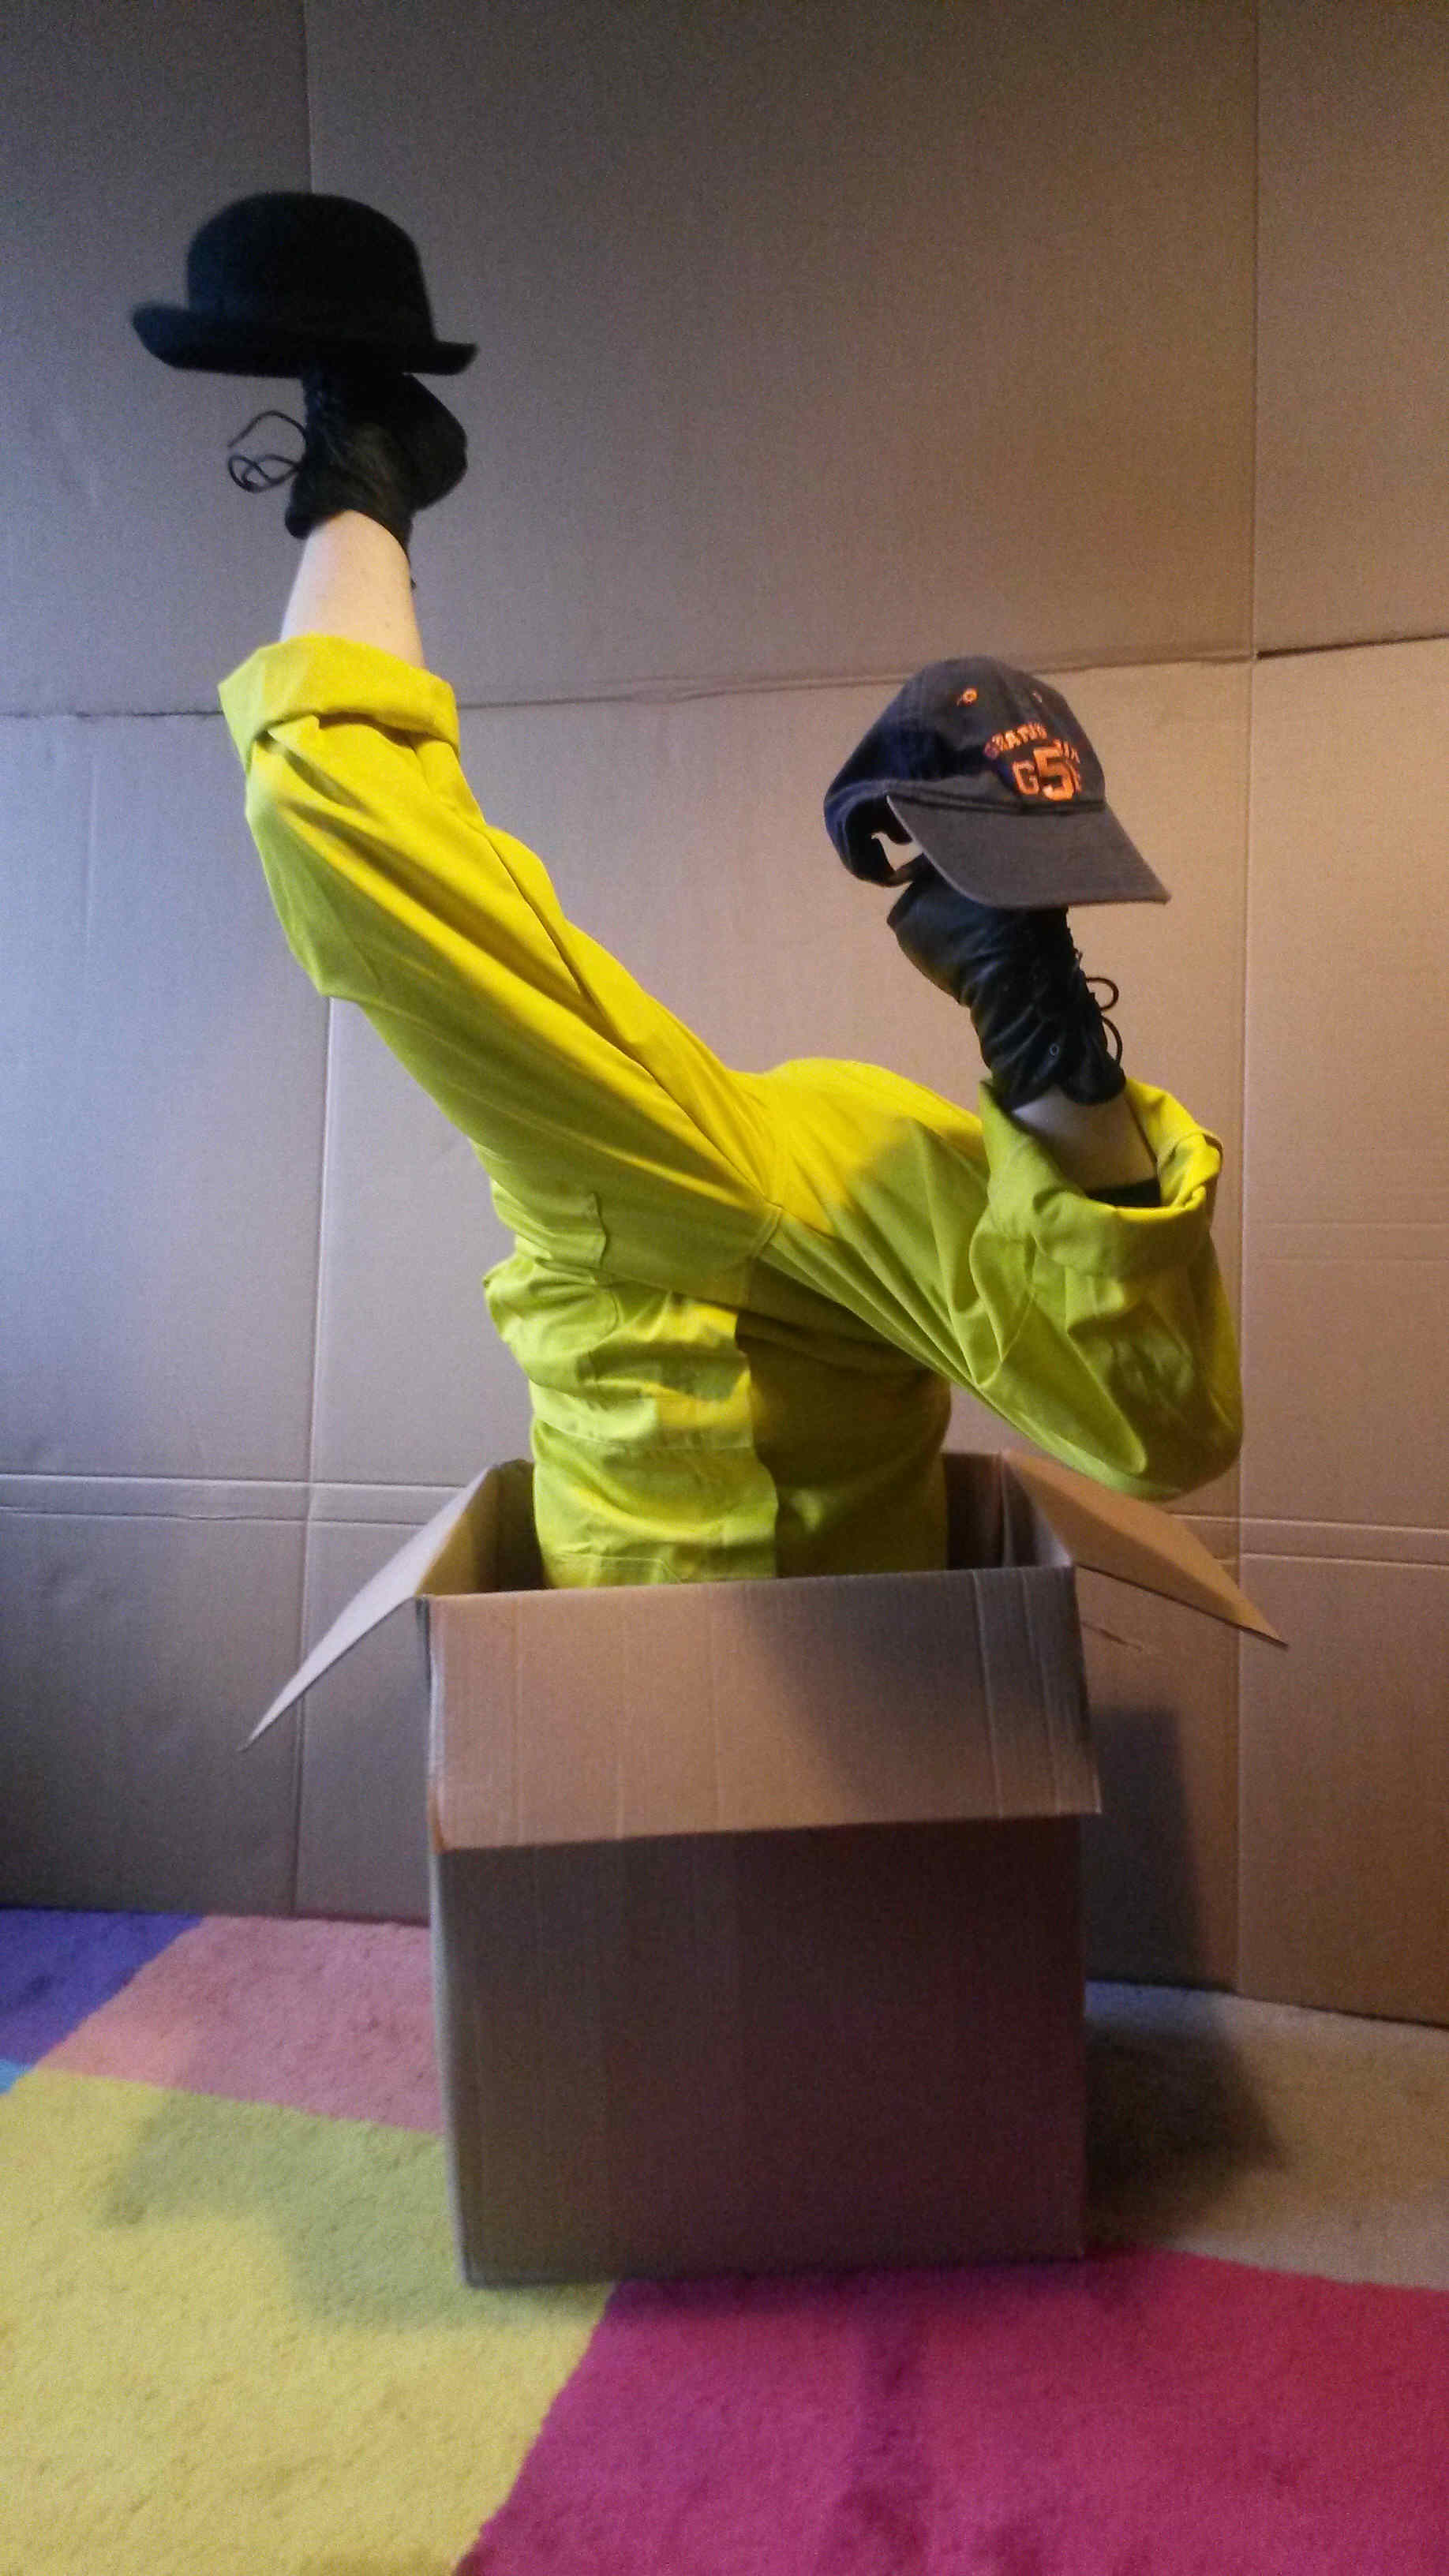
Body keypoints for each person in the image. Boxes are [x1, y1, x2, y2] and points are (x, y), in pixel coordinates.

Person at [143, 198, 1243, 1589]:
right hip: (862, 1704)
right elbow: (1159, 1428)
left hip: (657, 1707)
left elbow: (340, 814)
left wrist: (361, 493)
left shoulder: (693, 1162)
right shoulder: (862, 1157)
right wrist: (1044, 1024)